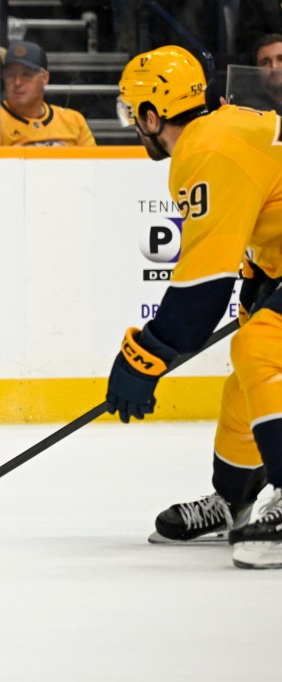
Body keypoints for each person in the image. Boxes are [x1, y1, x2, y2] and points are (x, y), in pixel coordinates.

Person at [111, 45, 282, 569]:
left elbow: (203, 286)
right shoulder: (228, 127)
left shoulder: (206, 151)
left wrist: (146, 356)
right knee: (246, 385)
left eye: (132, 113)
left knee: (259, 348)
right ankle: (234, 502)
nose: (134, 126)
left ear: (150, 115)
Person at [0, 41, 95, 147]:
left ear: (45, 78)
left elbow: (93, 170)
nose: (17, 82)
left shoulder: (74, 121)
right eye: (10, 74)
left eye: (26, 74)